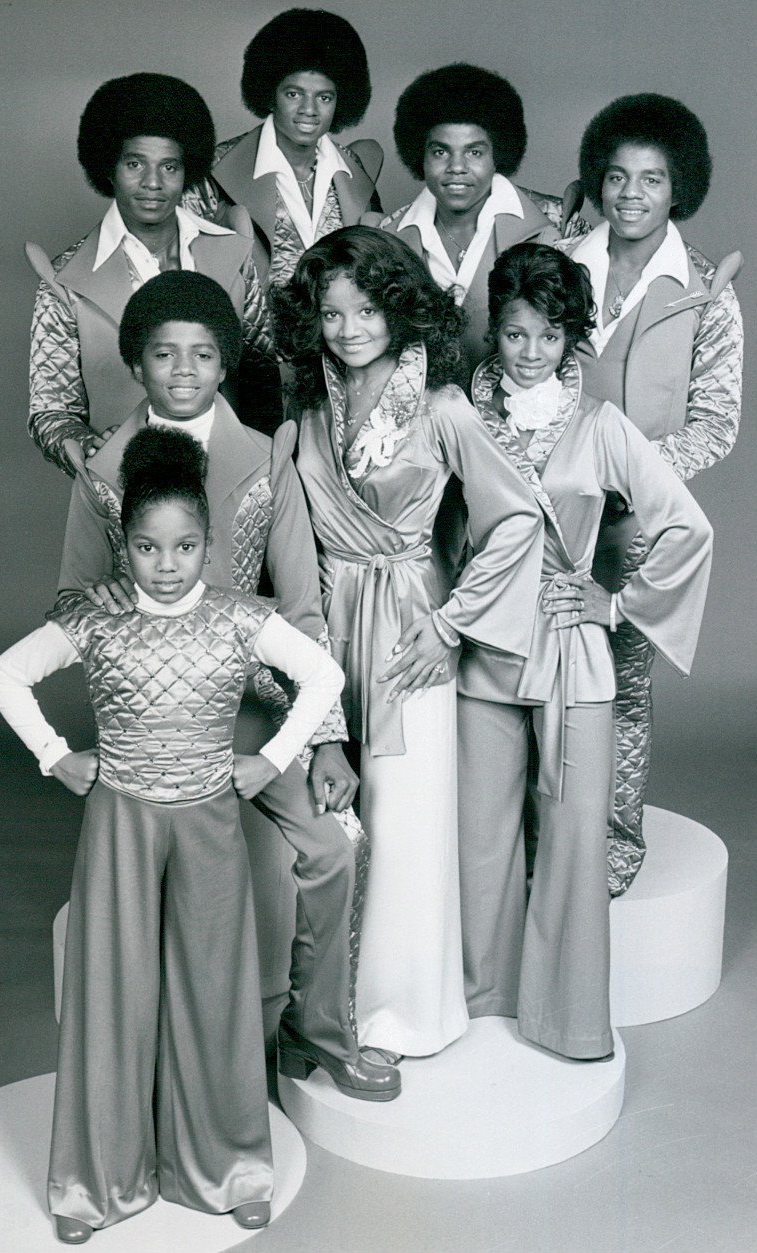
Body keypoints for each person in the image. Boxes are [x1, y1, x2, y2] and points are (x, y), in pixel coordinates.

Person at [0, 425, 346, 1242]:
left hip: (210, 819)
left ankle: (229, 1165)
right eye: (148, 547)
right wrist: (55, 755)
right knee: (110, 988)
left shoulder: (238, 617)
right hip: (119, 820)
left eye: (185, 545)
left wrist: (272, 757)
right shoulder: (97, 618)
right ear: (126, 546)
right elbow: (2, 674)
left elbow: (323, 672)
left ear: (209, 544)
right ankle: (93, 1181)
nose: (168, 563)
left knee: (214, 990)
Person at [56, 270, 400, 1106]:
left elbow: (304, 608)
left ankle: (315, 1032)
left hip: (253, 705)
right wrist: (104, 620)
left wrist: (323, 738)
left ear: (225, 361)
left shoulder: (265, 456)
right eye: (164, 354)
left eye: (203, 354)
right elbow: (69, 602)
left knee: (334, 843)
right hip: (151, 720)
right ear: (135, 363)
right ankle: (162, 1065)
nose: (183, 371)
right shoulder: (102, 473)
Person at [271, 226, 545, 1058]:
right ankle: (322, 1003)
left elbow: (517, 519)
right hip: (324, 623)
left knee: (404, 819)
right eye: (330, 312)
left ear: (401, 307)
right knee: (334, 811)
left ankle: (396, 1014)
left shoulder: (443, 406)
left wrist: (451, 626)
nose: (349, 327)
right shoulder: (306, 410)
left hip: (409, 628)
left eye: (367, 308)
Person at [461, 242, 712, 1059]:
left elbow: (686, 526)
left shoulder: (603, 427)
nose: (529, 352)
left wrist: (617, 600)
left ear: (574, 338)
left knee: (573, 841)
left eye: (548, 335)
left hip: (573, 648)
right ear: (493, 331)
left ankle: (567, 1021)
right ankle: (478, 1007)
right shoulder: (457, 415)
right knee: (481, 840)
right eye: (513, 333)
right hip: (484, 652)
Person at [558, 94, 743, 894]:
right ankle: (548, 835)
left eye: (653, 179)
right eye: (617, 176)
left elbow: (717, 421)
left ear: (681, 188)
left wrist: (628, 470)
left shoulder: (708, 290)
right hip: (547, 512)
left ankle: (616, 842)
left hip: (637, 523)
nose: (631, 194)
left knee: (624, 684)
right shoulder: (556, 261)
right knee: (543, 672)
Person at [28, 71, 280, 474]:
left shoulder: (233, 252)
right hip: (128, 492)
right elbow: (51, 410)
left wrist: (267, 470)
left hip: (233, 479)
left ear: (187, 172)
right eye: (134, 164)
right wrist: (88, 448)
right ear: (108, 168)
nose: (152, 183)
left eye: (169, 167)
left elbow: (263, 377)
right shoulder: (65, 280)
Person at [363, 63, 585, 388]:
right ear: (419, 156)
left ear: (498, 155)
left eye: (474, 152)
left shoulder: (555, 225)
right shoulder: (386, 237)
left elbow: (573, 353)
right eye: (441, 151)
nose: (456, 167)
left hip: (518, 427)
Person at [183, 8, 383, 287]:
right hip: (249, 330)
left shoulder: (353, 169)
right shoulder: (214, 170)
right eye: (294, 94)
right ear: (270, 93)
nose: (309, 110)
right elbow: (186, 274)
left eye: (324, 97)